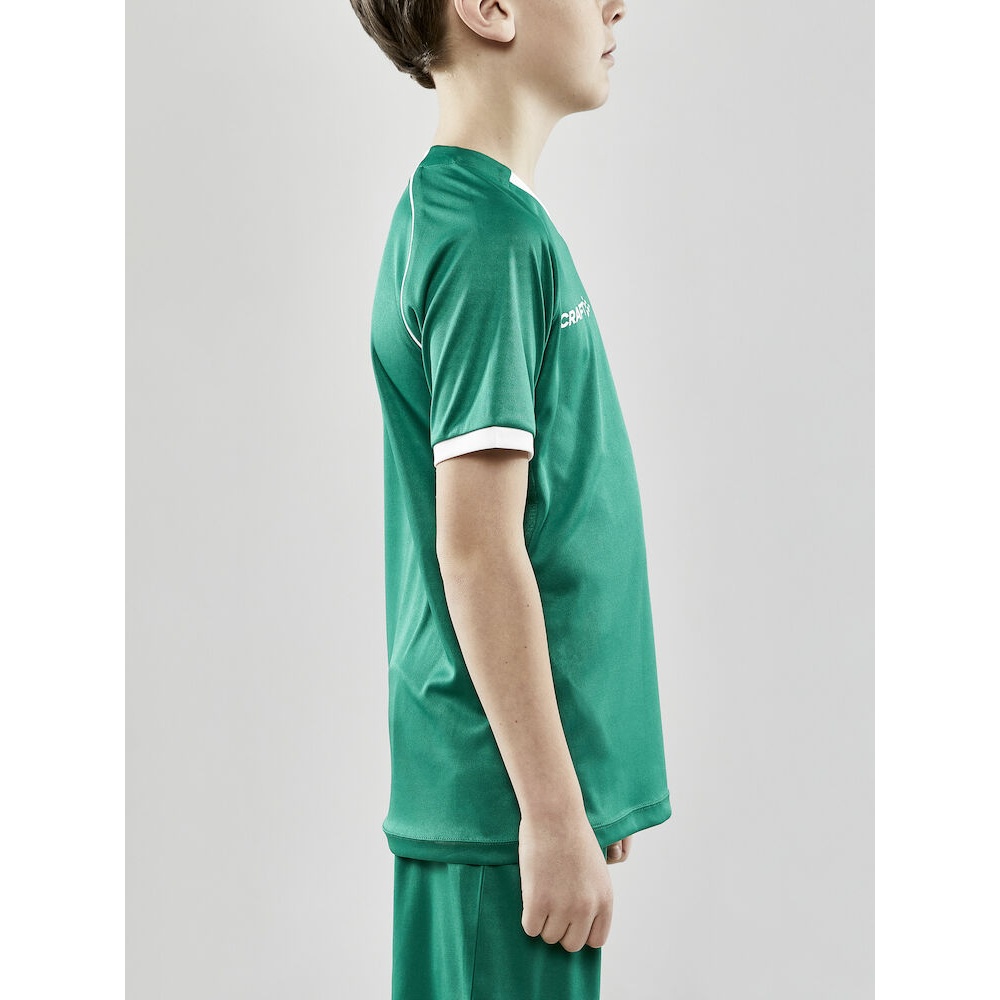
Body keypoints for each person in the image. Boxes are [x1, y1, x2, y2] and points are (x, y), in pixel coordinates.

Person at [351, 1, 673, 996]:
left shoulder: (471, 214)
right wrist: (550, 810)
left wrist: (573, 784)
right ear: (488, 7)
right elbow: (479, 546)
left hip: (503, 800)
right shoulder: (487, 238)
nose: (617, 4)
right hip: (502, 812)